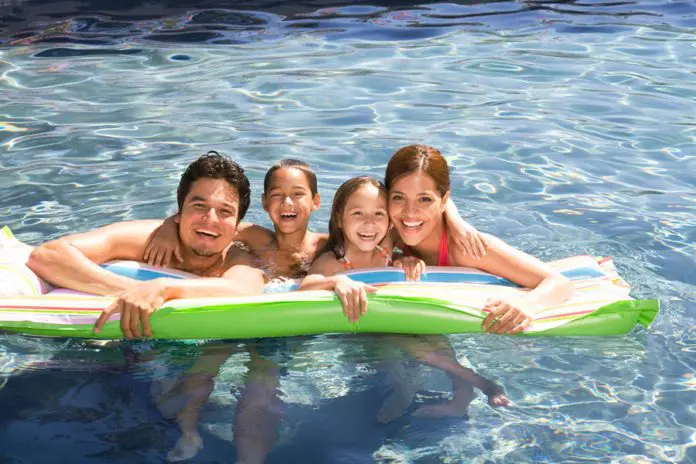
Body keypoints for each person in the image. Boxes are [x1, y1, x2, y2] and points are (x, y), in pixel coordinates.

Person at [300, 176, 509, 422]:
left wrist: (407, 260)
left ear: (389, 221)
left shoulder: (387, 248)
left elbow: (436, 199)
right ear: (338, 218)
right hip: (365, 331)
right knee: (416, 352)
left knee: (436, 339)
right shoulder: (334, 262)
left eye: (379, 214)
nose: (369, 224)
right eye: (358, 213)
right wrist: (336, 281)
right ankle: (482, 384)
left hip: (395, 319)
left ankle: (463, 395)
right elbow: (305, 288)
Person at [27, 151, 266, 338]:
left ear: (236, 226)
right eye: (199, 206)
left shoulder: (237, 257)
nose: (210, 219)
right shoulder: (147, 239)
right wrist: (131, 291)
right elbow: (48, 255)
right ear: (179, 214)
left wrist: (163, 289)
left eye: (225, 211)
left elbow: (246, 292)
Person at [384, 144, 574, 334]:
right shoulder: (387, 229)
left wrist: (528, 304)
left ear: (443, 201)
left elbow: (559, 282)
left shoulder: (467, 248)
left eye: (424, 199)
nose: (409, 212)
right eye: (398, 198)